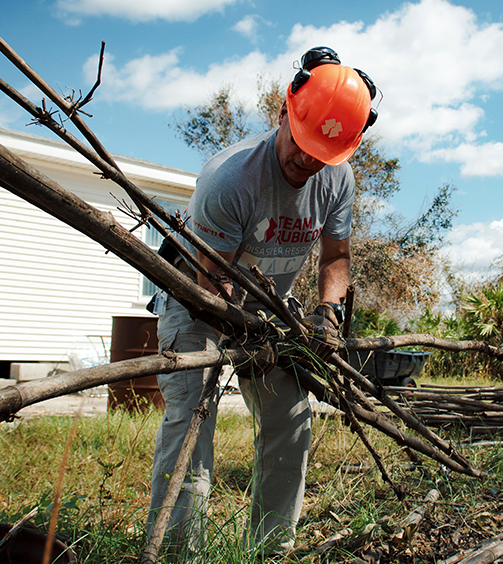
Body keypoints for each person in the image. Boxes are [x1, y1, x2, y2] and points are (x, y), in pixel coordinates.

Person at [147, 46, 378, 554]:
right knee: (192, 424)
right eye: (301, 143)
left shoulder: (337, 178)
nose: (306, 160)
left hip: (269, 308)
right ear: (283, 113)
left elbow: (335, 258)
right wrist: (250, 336)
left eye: (323, 153)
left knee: (292, 420)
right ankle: (177, 551)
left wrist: (327, 314)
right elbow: (215, 282)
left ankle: (270, 548)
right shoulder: (230, 178)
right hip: (200, 302)